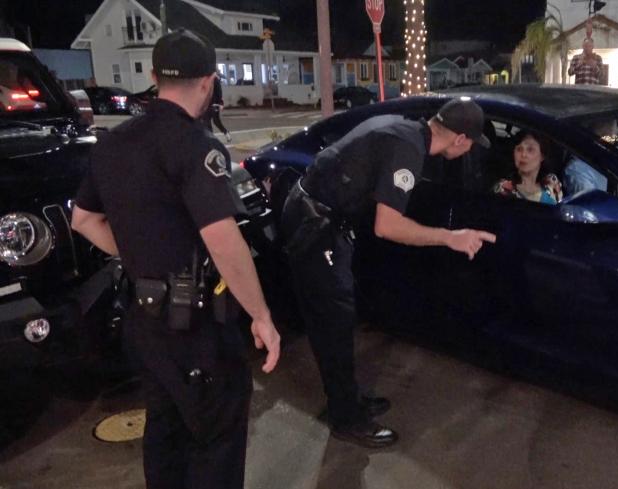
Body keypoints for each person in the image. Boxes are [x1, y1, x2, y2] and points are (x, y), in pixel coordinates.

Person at [70, 30, 281, 489]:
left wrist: (140, 251)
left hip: (143, 323)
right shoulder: (196, 146)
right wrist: (261, 315)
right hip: (195, 327)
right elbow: (224, 241)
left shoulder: (112, 142)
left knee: (164, 433)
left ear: (153, 76)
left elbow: (83, 219)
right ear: (207, 82)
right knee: (217, 438)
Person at [281, 97, 497, 448]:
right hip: (315, 225)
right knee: (333, 320)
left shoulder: (404, 128)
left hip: (318, 216)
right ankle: (345, 417)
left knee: (337, 316)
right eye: (473, 142)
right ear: (459, 139)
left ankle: (346, 397)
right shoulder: (408, 150)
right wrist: (450, 238)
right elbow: (388, 226)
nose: (472, 149)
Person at [493, 130, 563, 204]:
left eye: (530, 150)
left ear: (542, 156)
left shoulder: (552, 182)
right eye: (519, 149)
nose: (523, 154)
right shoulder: (504, 188)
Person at [202, 75, 231, 142]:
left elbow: (219, 92)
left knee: (216, 121)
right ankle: (210, 139)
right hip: (207, 104)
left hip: (214, 104)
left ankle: (226, 133)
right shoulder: (204, 79)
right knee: (206, 121)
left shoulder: (215, 79)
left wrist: (220, 103)